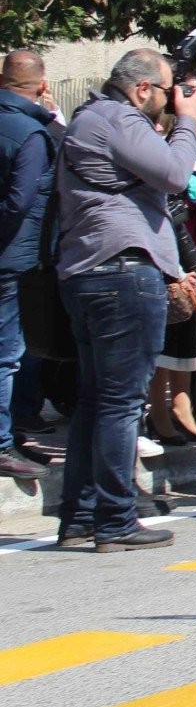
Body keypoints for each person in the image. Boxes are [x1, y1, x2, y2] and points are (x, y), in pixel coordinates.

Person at [55, 51, 196, 550]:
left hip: (89, 270)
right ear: (143, 90)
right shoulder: (118, 118)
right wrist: (187, 125)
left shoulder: (90, 119)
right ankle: (115, 518)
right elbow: (173, 174)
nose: (171, 102)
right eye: (167, 93)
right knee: (121, 404)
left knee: (96, 400)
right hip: (122, 271)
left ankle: (79, 518)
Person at [0, 48, 60, 480]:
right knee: (8, 354)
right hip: (13, 257)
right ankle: (3, 442)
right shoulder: (31, 132)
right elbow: (20, 201)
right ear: (41, 86)